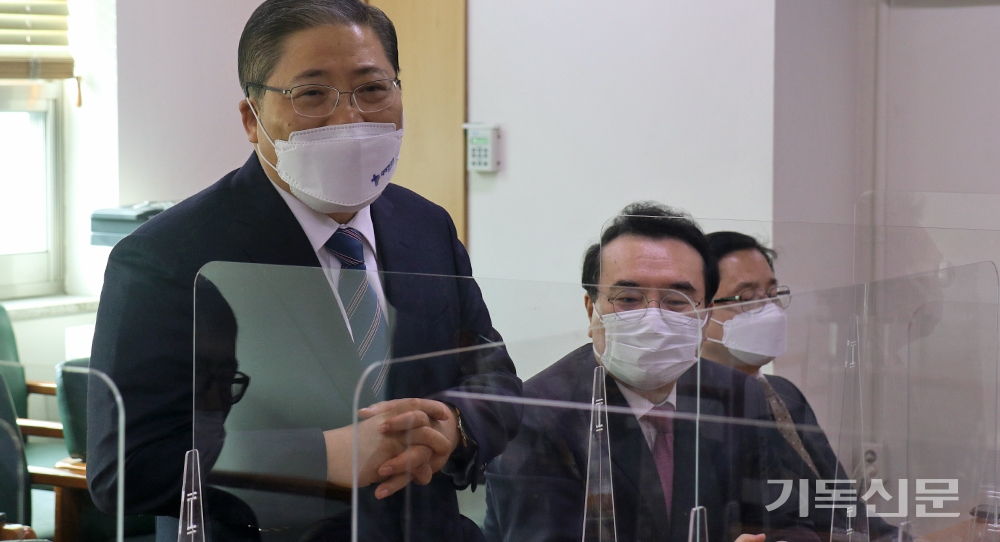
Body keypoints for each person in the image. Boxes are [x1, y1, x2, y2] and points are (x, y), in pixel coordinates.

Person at [86, 1, 521, 540]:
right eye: (312, 94)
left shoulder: (426, 225)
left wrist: (453, 426)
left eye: (373, 88)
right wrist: (323, 456)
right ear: (252, 119)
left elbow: (496, 379)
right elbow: (125, 467)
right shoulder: (169, 257)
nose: (350, 118)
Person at [482, 203, 818, 542]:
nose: (653, 320)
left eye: (677, 301)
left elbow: (793, 522)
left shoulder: (738, 395)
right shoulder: (536, 416)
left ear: (705, 316)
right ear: (591, 310)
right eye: (628, 299)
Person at [702, 231, 900, 542]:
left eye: (772, 294)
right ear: (700, 311)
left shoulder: (785, 392)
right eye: (747, 298)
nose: (769, 310)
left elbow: (845, 504)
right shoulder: (696, 412)